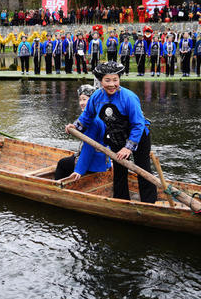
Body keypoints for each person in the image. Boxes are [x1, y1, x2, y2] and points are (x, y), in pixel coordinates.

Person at [66, 62, 157, 203]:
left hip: (138, 137)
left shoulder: (129, 97)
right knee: (119, 171)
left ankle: (150, 202)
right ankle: (121, 201)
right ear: (101, 81)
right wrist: (75, 126)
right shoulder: (96, 97)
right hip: (116, 136)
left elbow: (138, 124)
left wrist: (128, 148)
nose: (112, 84)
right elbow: (87, 116)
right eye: (107, 80)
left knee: (142, 169)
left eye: (115, 80)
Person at [55, 84, 110, 180]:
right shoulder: (102, 115)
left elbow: (88, 148)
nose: (81, 103)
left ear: (93, 100)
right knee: (71, 158)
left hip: (95, 163)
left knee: (62, 163)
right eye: (80, 99)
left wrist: (79, 170)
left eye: (84, 99)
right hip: (103, 160)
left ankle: (56, 189)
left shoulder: (92, 121)